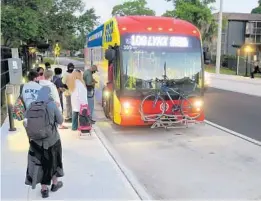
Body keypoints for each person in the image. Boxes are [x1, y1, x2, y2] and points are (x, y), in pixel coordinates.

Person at [25, 86, 64, 198]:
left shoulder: (31, 105)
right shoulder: (51, 104)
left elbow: (27, 121)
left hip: (36, 142)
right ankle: (55, 184)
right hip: (52, 140)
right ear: (49, 94)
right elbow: (60, 120)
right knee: (54, 161)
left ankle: (44, 189)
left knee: (41, 163)